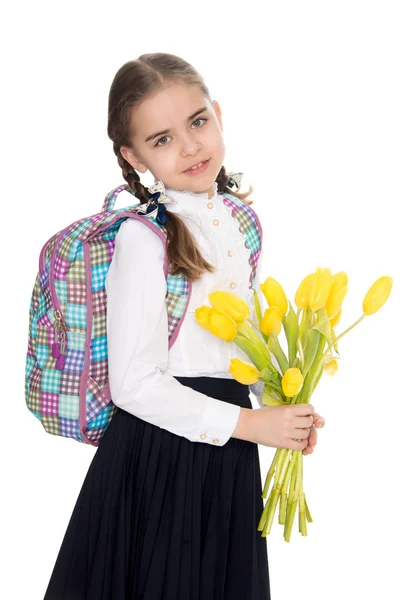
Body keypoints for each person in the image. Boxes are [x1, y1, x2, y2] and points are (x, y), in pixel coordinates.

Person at [44, 52, 325, 600]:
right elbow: (133, 384)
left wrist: (280, 405)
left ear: (218, 114)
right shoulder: (142, 239)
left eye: (197, 122)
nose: (191, 146)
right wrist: (252, 425)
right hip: (161, 457)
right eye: (162, 139)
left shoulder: (241, 223)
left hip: (227, 450)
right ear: (134, 156)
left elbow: (243, 340)